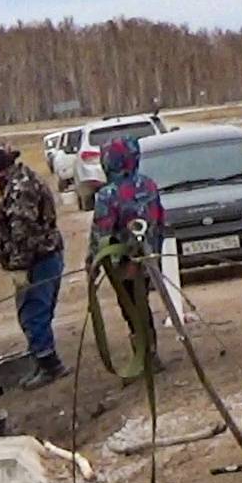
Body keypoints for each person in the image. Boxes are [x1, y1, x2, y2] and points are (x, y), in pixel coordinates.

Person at [0, 147, 67, 389]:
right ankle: (41, 359)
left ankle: (50, 365)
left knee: (33, 313)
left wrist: (18, 267)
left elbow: (23, 232)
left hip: (38, 259)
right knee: (34, 312)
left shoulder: (21, 189)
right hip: (39, 256)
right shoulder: (16, 184)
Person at [87, 136, 165, 378]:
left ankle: (146, 357)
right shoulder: (149, 185)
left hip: (123, 263)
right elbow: (160, 221)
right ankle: (149, 353)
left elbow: (102, 231)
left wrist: (92, 262)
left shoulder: (107, 195)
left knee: (131, 308)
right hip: (150, 257)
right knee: (143, 305)